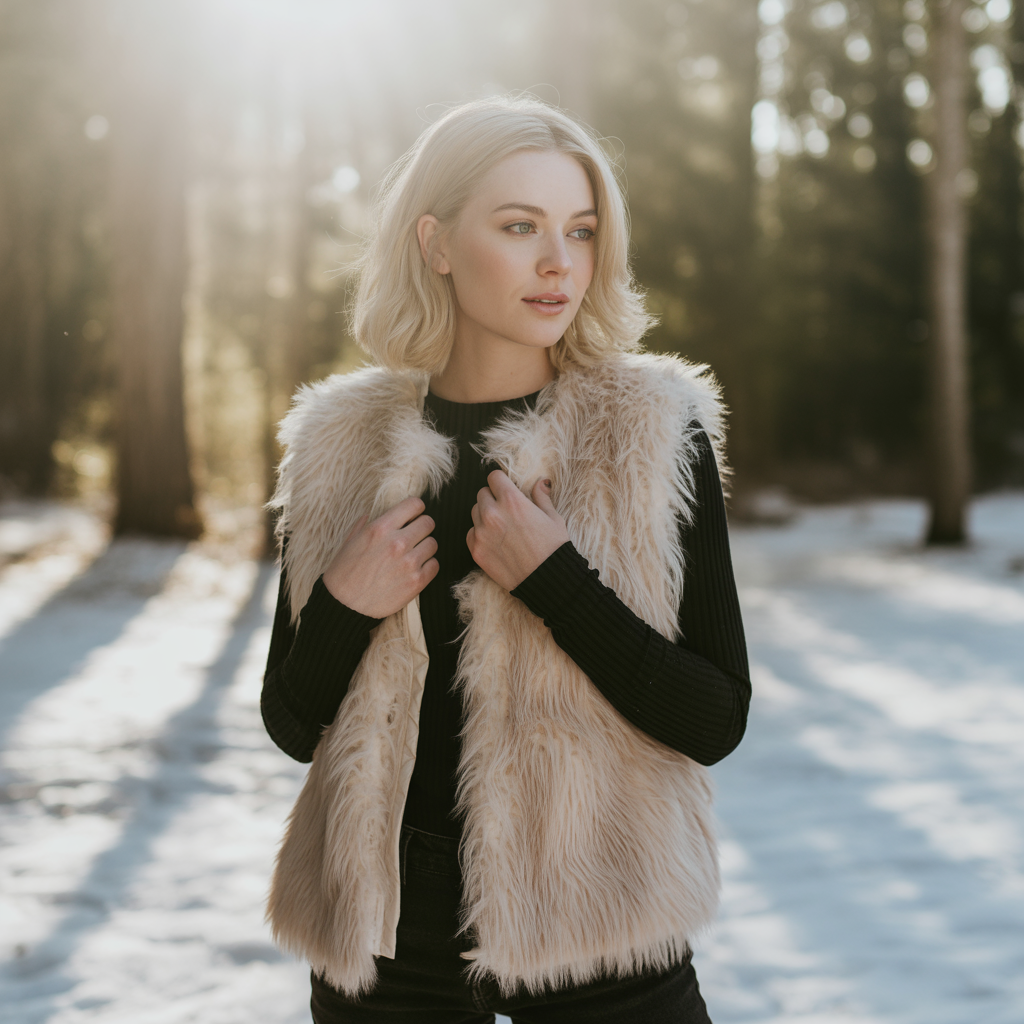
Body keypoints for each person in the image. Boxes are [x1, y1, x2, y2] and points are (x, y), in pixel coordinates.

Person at [260, 95, 750, 1024]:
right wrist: (346, 602)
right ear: (436, 242)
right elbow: (291, 721)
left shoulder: (649, 433)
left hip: (597, 920)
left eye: (581, 230)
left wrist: (561, 585)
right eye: (520, 226)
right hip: (386, 932)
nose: (559, 262)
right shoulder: (338, 444)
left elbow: (716, 716)